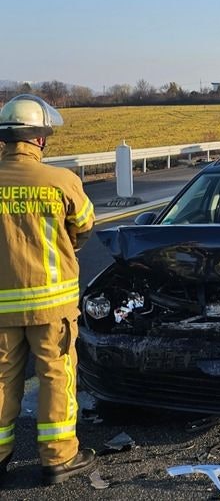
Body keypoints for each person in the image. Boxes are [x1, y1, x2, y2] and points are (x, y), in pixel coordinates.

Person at [0, 95, 96, 485]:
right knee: (57, 375)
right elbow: (84, 227)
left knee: (2, 379)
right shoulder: (61, 181)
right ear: (39, 139)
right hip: (51, 307)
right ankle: (58, 457)